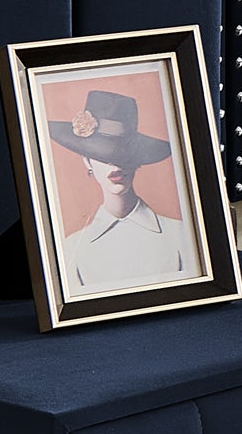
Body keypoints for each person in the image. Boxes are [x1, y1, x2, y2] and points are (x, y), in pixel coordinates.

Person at [48, 87, 196, 292]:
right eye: (101, 154)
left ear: (137, 159)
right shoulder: (71, 249)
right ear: (87, 161)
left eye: (123, 155)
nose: (115, 165)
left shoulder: (182, 235)